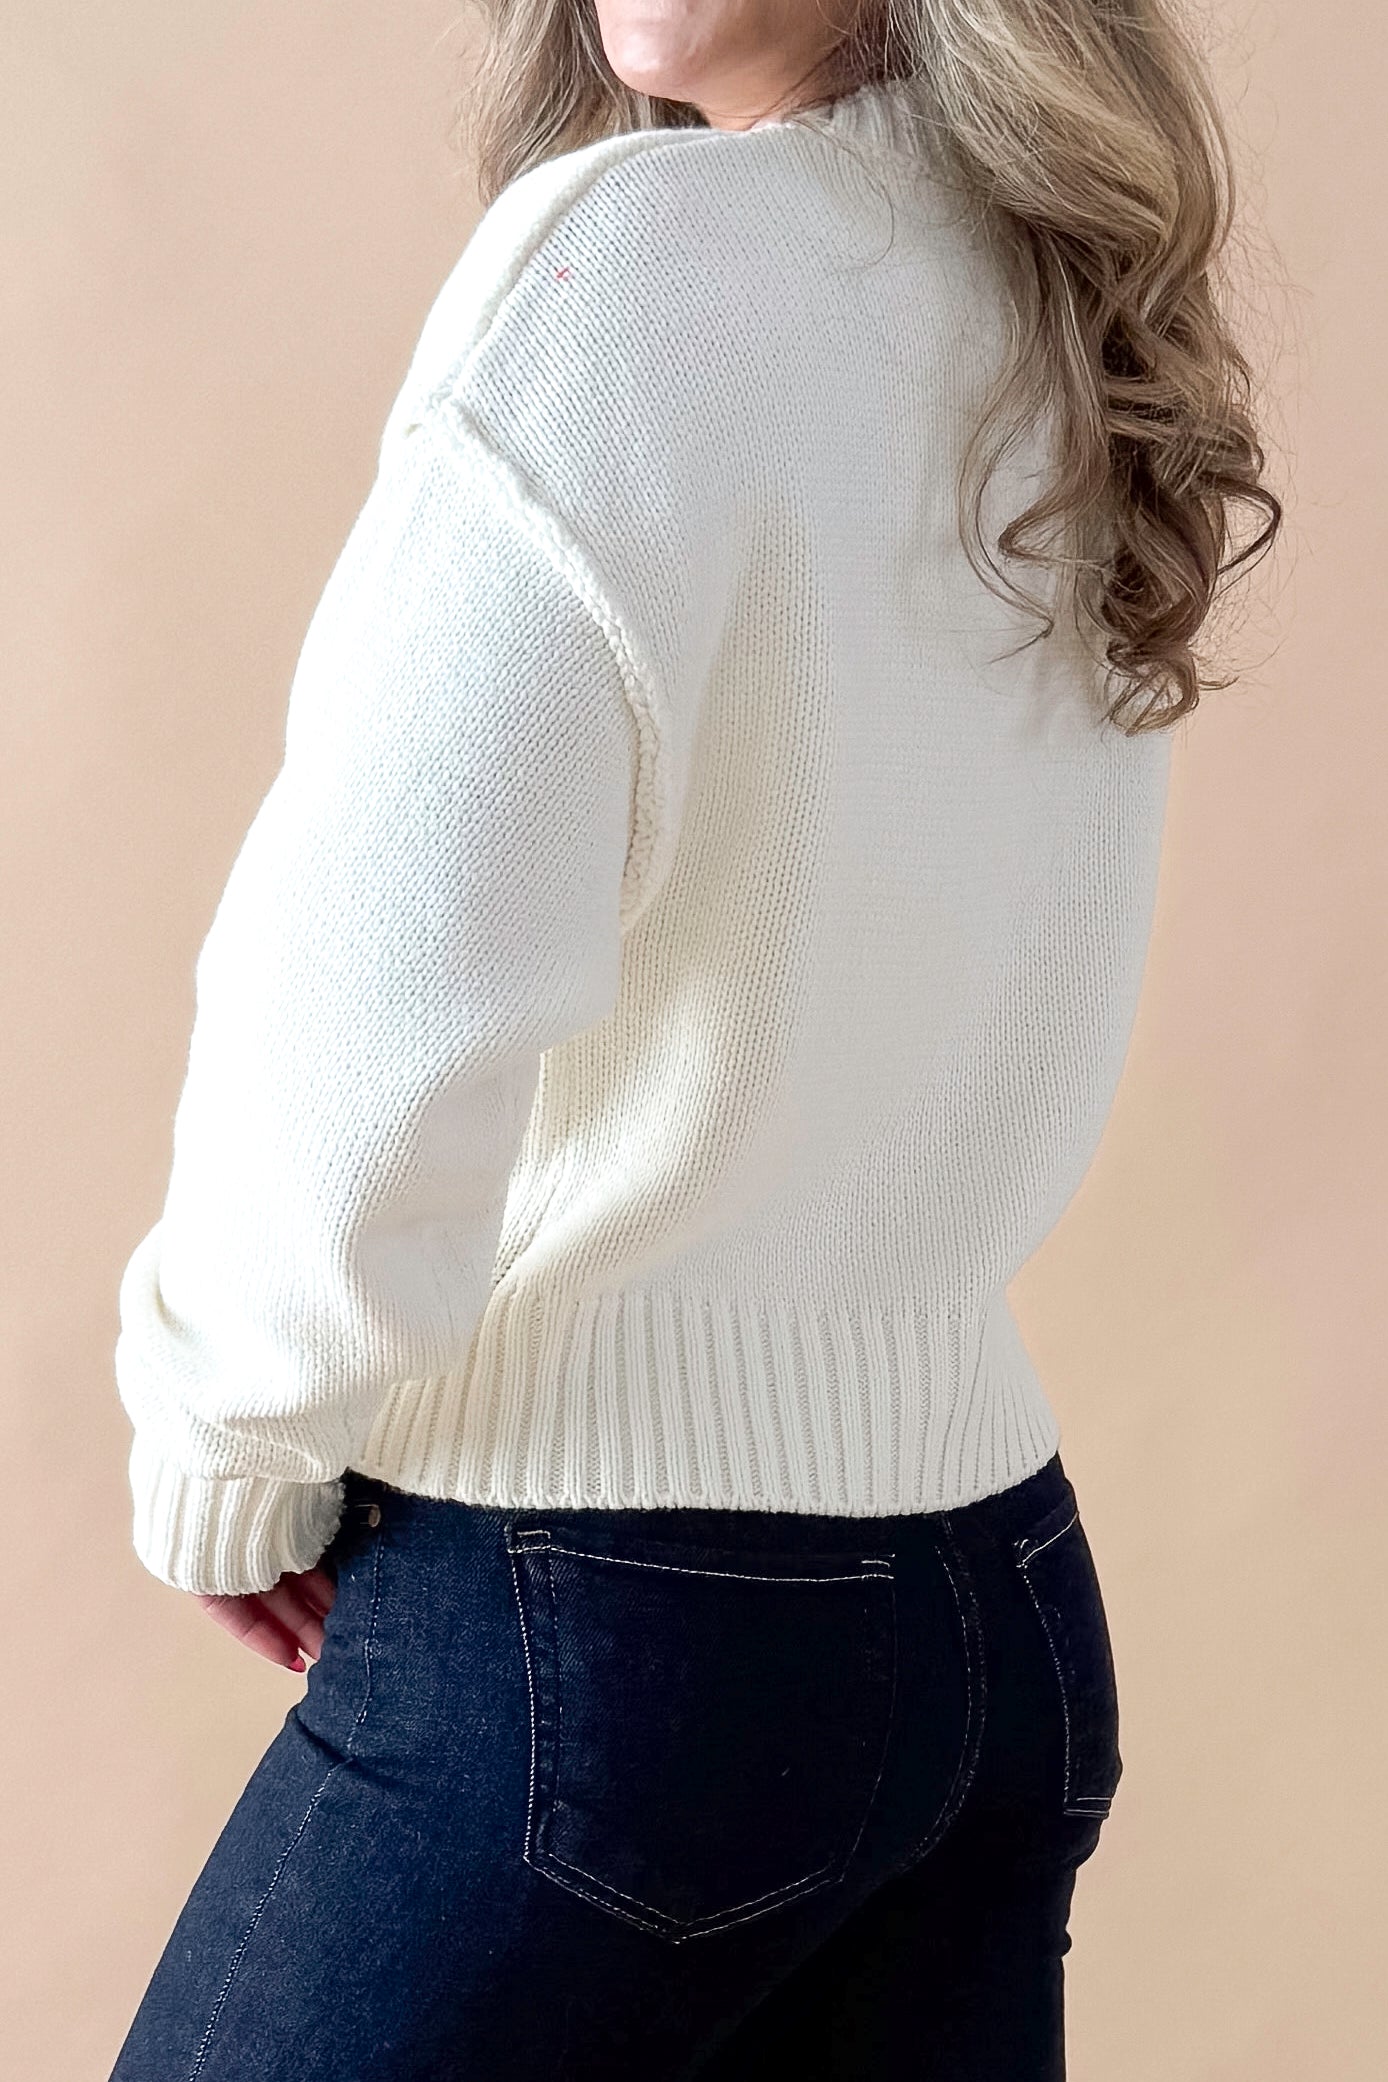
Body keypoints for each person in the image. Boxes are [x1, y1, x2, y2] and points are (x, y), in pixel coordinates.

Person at [107, 1, 1281, 2076]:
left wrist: (227, 1438)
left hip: (610, 1637)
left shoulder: (631, 274)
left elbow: (380, 944)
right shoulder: (1068, 309)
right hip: (994, 1609)